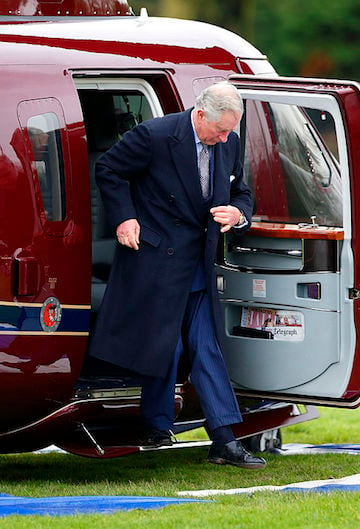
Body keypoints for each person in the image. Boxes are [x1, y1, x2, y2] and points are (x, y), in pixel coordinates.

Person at [88, 81, 264, 469]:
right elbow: (110, 169)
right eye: (220, 130)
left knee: (207, 349)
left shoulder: (227, 143)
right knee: (164, 344)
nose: (224, 138)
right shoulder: (155, 135)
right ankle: (155, 424)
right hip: (156, 259)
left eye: (230, 131)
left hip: (198, 263)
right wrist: (124, 216)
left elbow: (243, 193)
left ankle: (224, 439)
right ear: (200, 114)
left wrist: (238, 214)